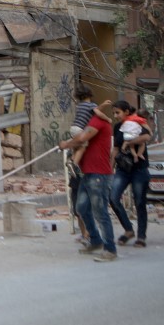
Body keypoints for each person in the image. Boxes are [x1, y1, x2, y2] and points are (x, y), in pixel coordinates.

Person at [59, 102, 118, 262]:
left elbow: (82, 138)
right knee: (82, 208)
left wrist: (66, 144)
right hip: (88, 173)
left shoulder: (98, 122)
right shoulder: (92, 123)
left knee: (100, 212)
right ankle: (96, 240)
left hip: (99, 174)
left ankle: (110, 249)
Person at [108, 100, 151, 248]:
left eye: (117, 112)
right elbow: (115, 149)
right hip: (123, 169)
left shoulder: (136, 121)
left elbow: (147, 137)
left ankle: (141, 236)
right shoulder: (118, 127)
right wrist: (110, 168)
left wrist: (129, 142)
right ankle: (128, 230)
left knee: (139, 202)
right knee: (113, 198)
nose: (115, 116)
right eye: (114, 113)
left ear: (126, 112)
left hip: (139, 168)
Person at [68, 87, 112, 171]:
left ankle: (71, 160)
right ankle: (74, 164)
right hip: (80, 129)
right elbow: (98, 113)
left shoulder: (80, 105)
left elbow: (95, 110)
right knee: (83, 147)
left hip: (73, 128)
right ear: (90, 95)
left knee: (77, 147)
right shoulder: (91, 105)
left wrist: (103, 105)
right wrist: (107, 119)